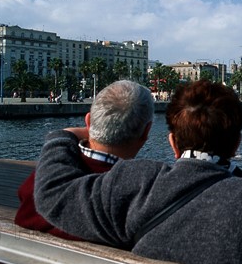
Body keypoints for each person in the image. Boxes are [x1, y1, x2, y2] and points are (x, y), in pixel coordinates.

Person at [34, 80, 242, 264]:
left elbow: (53, 192)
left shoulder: (133, 182)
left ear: (173, 143)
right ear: (236, 143)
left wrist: (64, 136)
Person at [15, 80, 154, 240]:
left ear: (88, 121)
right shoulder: (136, 195)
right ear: (146, 132)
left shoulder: (47, 177)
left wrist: (66, 135)